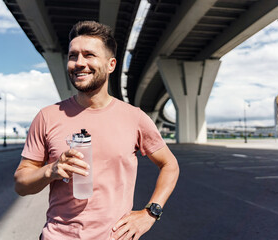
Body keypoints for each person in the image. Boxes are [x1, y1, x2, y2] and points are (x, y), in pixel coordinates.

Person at [14, 20, 179, 240]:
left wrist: (150, 212)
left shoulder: (135, 117)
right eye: (73, 56)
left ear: (111, 65)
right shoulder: (47, 116)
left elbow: (170, 165)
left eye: (89, 55)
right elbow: (21, 184)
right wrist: (50, 171)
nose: (79, 63)